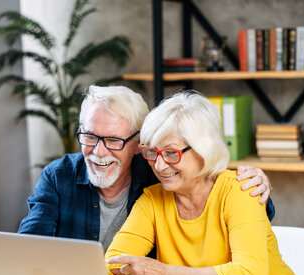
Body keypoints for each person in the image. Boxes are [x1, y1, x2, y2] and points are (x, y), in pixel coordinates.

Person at [18, 85, 275, 253]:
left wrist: (254, 184)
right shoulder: (58, 175)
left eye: (113, 140)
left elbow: (215, 197)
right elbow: (28, 246)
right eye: (89, 136)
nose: (98, 152)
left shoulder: (158, 172)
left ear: (138, 143)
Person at [105, 91, 304, 275]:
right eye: (152, 152)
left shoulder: (240, 190)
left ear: (204, 150)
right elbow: (111, 264)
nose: (159, 165)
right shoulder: (152, 200)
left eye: (172, 153)